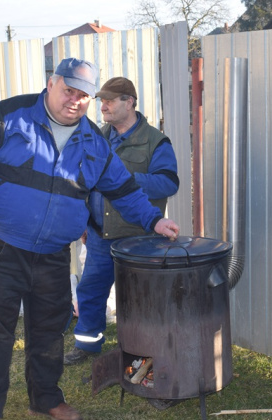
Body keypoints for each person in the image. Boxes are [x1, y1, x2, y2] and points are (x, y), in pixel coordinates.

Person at [0, 58, 180, 420]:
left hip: (53, 254)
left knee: (49, 332)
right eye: (69, 89)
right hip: (1, 248)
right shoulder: (7, 115)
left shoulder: (95, 142)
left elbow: (125, 190)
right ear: (51, 83)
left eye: (84, 95)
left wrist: (154, 220)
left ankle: (46, 398)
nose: (76, 100)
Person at [64, 77, 180, 365]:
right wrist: (83, 222)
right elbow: (81, 183)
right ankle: (87, 345)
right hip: (100, 235)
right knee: (90, 290)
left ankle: (144, 349)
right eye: (101, 100)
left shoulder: (155, 141)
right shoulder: (96, 138)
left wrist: (123, 180)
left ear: (129, 102)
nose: (103, 106)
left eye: (110, 100)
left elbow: (167, 184)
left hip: (139, 238)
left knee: (142, 299)